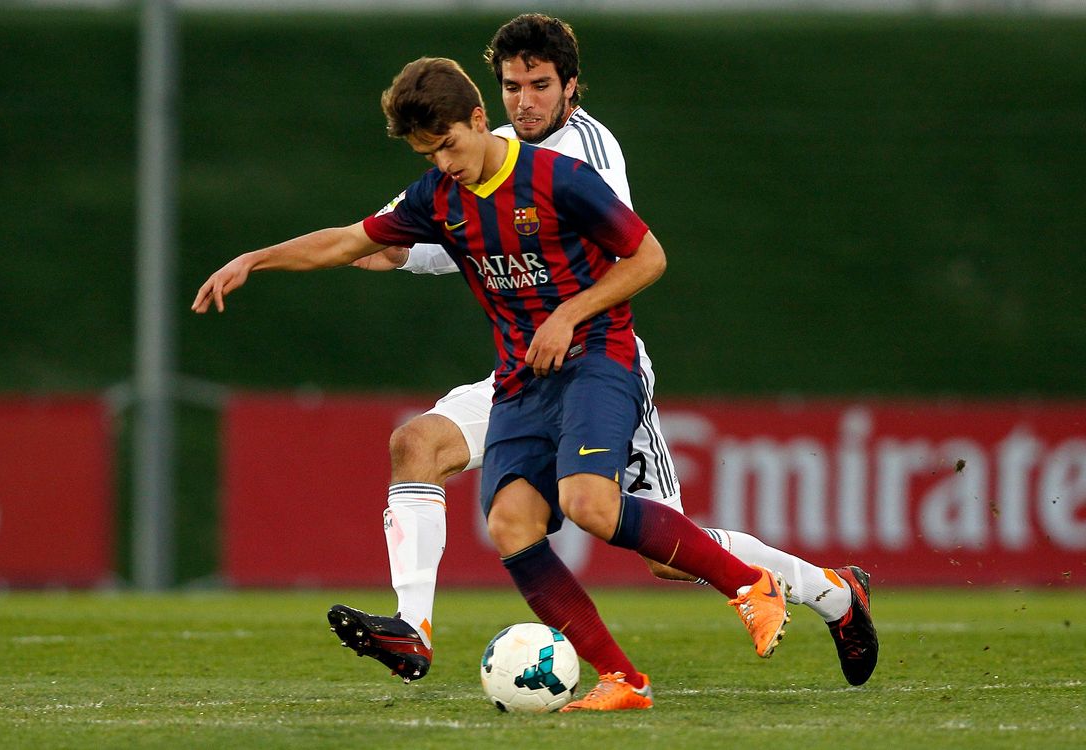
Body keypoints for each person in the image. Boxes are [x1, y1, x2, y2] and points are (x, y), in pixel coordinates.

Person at [194, 54, 793, 712]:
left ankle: (749, 584)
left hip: (596, 356)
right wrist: (257, 259)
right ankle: (623, 680)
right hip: (520, 379)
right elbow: (346, 242)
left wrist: (568, 314)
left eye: (449, 145)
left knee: (590, 502)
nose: (445, 164)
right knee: (511, 525)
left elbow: (648, 256)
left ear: (480, 119)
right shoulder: (437, 199)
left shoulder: (560, 177)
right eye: (430, 154)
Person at [329, 12, 878, 693]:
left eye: (539, 85)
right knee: (417, 445)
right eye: (511, 85)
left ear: (570, 87)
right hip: (525, 370)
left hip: (597, 359)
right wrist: (394, 250)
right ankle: (414, 630)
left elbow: (611, 258)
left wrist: (536, 300)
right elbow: (451, 234)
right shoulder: (480, 146)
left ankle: (832, 592)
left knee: (672, 559)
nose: (524, 101)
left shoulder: (588, 152)